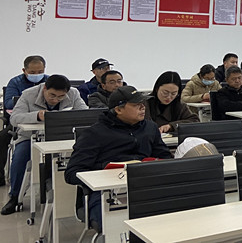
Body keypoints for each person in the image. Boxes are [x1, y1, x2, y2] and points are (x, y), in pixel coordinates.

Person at [64, 86, 171, 231]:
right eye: (136, 105)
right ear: (118, 109)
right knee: (116, 229)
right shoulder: (94, 134)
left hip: (144, 187)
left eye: (143, 104)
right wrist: (105, 173)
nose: (143, 108)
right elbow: (71, 173)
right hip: (105, 194)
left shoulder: (150, 128)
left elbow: (165, 157)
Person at [2, 74, 87, 215]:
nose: (56, 100)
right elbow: (15, 118)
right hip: (30, 136)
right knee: (20, 157)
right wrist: (37, 116)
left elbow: (85, 114)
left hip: (62, 136)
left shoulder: (73, 93)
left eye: (61, 97)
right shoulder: (28, 94)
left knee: (82, 154)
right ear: (45, 88)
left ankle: (78, 197)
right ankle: (15, 197)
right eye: (52, 95)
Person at [1, 55, 49, 184]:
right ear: (24, 70)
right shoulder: (15, 82)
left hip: (47, 124)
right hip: (22, 122)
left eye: (40, 71)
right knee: (2, 139)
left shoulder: (50, 82)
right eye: (32, 72)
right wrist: (27, 99)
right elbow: (8, 103)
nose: (37, 75)